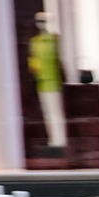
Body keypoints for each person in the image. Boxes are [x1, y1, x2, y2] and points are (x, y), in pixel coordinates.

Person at [29, 13, 68, 154]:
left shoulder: (54, 40)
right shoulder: (35, 42)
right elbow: (34, 61)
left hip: (53, 80)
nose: (41, 24)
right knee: (48, 112)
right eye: (39, 21)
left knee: (56, 112)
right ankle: (54, 140)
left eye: (44, 21)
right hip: (42, 81)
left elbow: (58, 60)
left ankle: (60, 140)